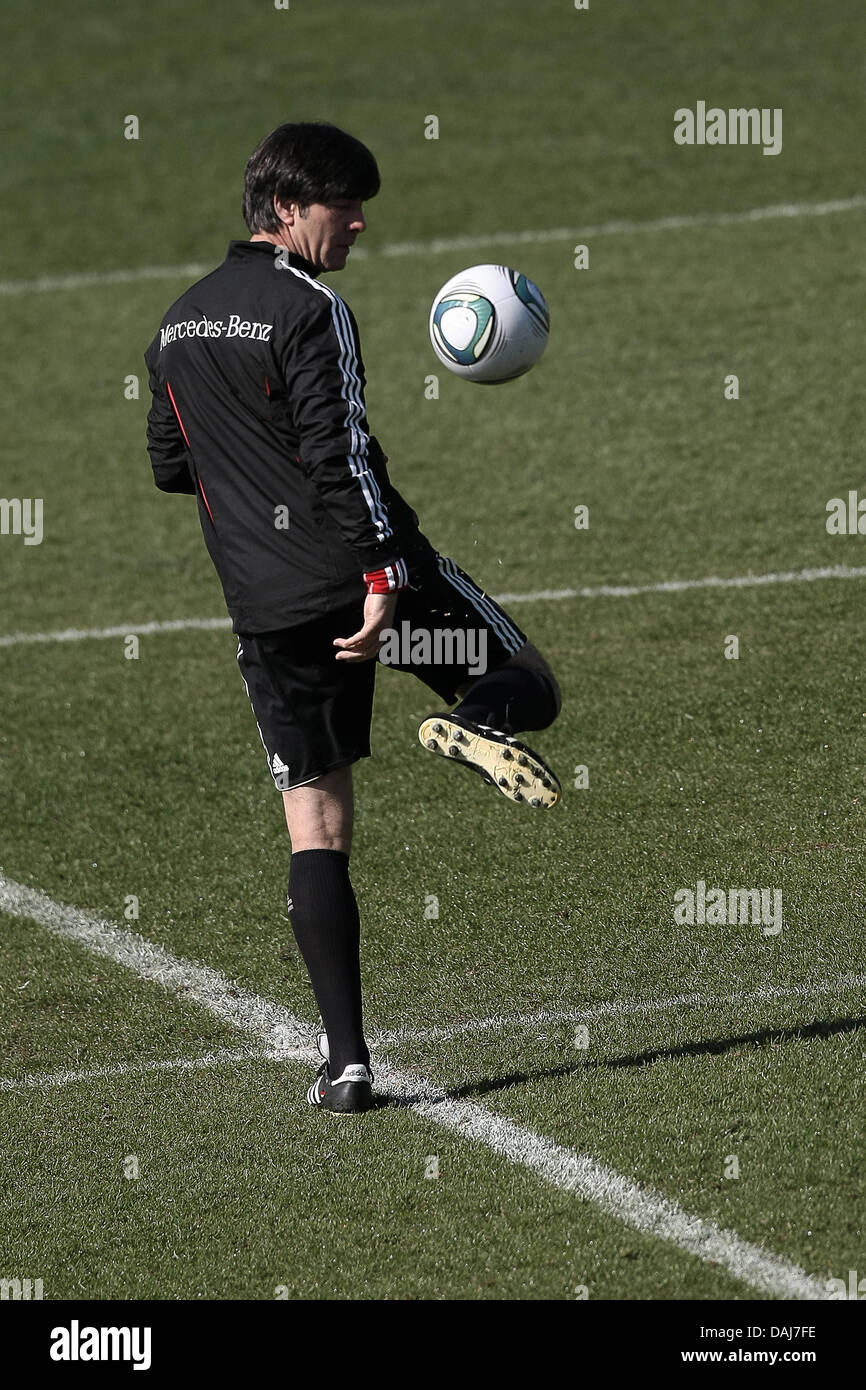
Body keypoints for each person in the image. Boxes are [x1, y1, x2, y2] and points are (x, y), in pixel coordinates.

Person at [144, 121, 562, 1114]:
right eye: (344, 204)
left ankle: (346, 1064)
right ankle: (473, 721)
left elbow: (170, 461)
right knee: (527, 685)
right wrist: (382, 574)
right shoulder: (308, 306)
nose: (359, 221)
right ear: (287, 210)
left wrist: (247, 482)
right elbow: (340, 456)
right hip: (366, 586)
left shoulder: (177, 322)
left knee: (316, 830)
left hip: (269, 610)